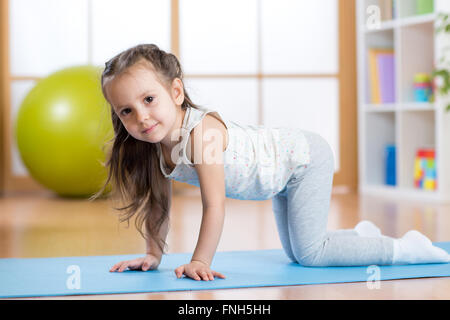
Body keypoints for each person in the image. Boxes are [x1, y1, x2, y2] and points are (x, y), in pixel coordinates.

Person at [90, 43, 449, 281]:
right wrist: (153, 255)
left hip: (302, 161)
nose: (141, 117)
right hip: (277, 177)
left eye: (149, 99)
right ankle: (359, 239)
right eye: (127, 110)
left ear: (176, 92)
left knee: (310, 255)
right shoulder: (154, 146)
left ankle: (404, 248)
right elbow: (158, 203)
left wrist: (200, 261)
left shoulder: (203, 135)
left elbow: (214, 205)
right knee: (296, 252)